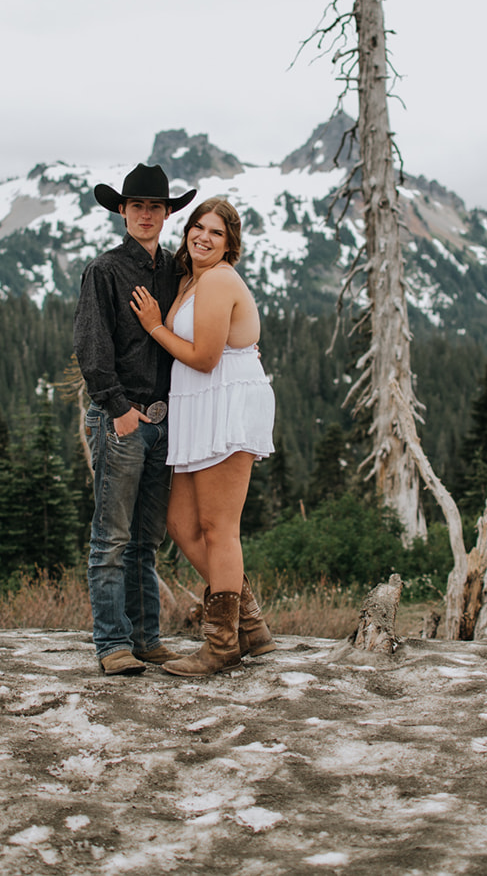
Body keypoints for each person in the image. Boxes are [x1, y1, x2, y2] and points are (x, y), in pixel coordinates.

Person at [131, 196, 277, 677]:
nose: (203, 237)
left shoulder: (218, 279)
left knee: (219, 528)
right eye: (198, 227)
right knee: (181, 525)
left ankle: (221, 645)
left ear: (229, 243)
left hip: (225, 400)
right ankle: (249, 623)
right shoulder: (194, 279)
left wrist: (153, 326)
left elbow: (205, 357)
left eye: (216, 232)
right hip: (199, 404)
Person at [73, 163, 196, 676]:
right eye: (137, 206)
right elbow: (91, 346)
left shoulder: (174, 271)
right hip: (123, 420)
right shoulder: (105, 271)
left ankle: (146, 638)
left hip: (165, 425)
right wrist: (119, 409)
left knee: (146, 540)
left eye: (155, 207)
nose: (146, 215)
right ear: (122, 212)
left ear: (167, 214)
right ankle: (112, 644)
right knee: (112, 538)